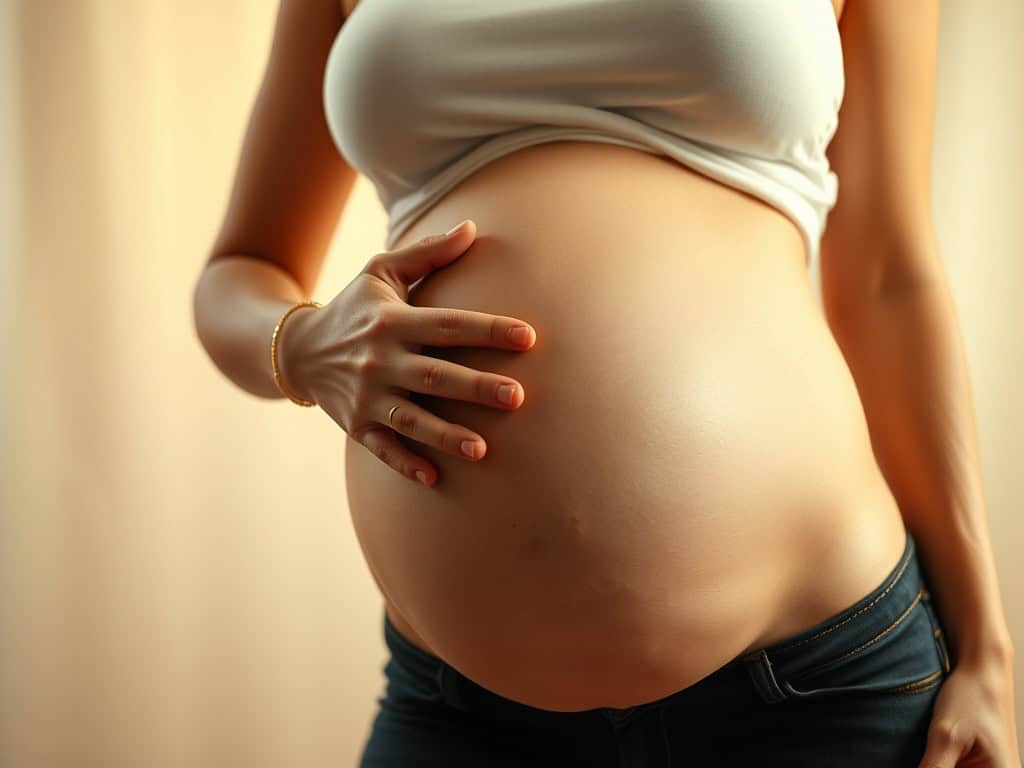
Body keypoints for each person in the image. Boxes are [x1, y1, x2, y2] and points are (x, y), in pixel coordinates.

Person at [193, 0, 1020, 765]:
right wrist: (301, 346)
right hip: (458, 711)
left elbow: (889, 277)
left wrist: (988, 645)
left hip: (811, 684)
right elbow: (242, 270)